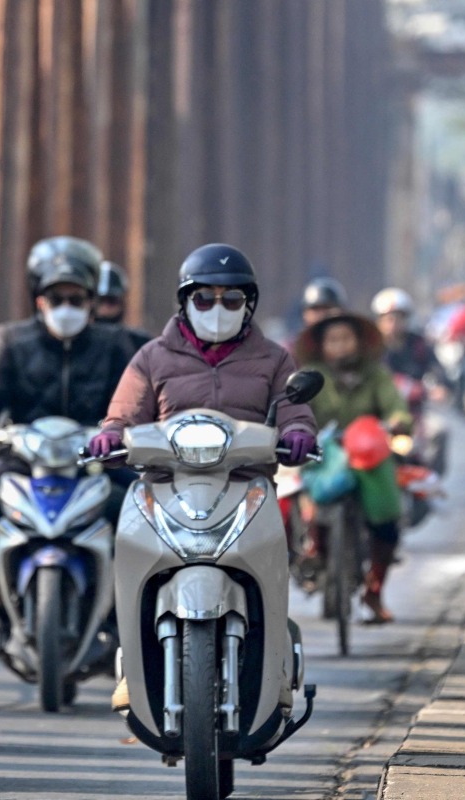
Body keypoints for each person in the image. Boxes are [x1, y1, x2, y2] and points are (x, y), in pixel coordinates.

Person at [88, 243, 318, 710]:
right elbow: (125, 414)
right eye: (205, 299)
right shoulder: (151, 357)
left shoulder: (274, 359)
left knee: (273, 565)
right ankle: (134, 665)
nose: (218, 310)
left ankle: (273, 669)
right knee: (129, 553)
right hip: (163, 487)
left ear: (248, 305)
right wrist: (111, 436)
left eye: (231, 300)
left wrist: (297, 432)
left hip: (247, 488)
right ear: (185, 302)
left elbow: (295, 410)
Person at [0, 237, 134, 658]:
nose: (66, 307)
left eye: (76, 298)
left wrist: (132, 436)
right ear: (38, 300)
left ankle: (131, 614)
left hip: (98, 462)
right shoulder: (10, 341)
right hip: (22, 459)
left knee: (137, 510)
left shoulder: (116, 346)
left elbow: (138, 403)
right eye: (55, 297)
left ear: (92, 301)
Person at [294, 313, 412, 624]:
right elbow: (296, 410)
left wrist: (398, 421)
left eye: (346, 339)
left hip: (367, 456)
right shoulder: (312, 375)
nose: (341, 346)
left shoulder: (375, 375)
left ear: (358, 342)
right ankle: (314, 549)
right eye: (333, 340)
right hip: (323, 456)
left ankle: (374, 590)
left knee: (386, 521)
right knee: (299, 498)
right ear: (322, 345)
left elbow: (394, 405)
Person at [94, 259, 151, 351]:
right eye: (99, 301)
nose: (104, 309)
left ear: (122, 302)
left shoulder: (139, 343)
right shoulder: (73, 343)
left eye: (111, 301)